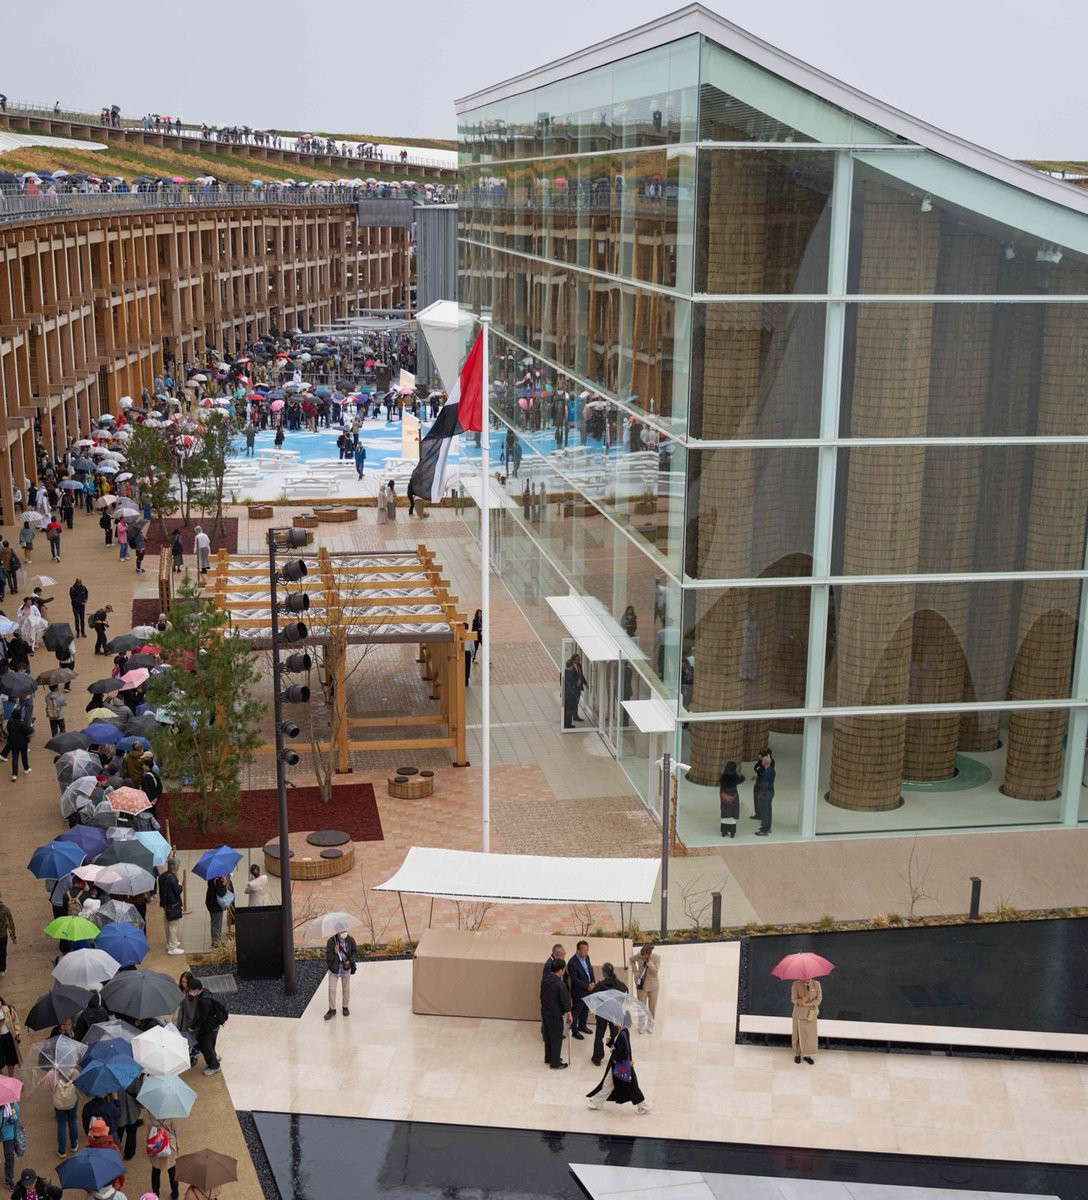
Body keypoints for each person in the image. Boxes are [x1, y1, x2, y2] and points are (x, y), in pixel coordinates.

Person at [585, 1022, 649, 1113]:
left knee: (628, 1086)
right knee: (612, 1084)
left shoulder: (622, 1034)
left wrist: (613, 1052)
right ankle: (596, 1102)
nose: (613, 1021)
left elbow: (623, 1052)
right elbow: (619, 1047)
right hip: (621, 1065)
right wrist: (610, 1043)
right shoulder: (622, 1031)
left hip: (619, 1065)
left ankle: (643, 1106)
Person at [187, 977, 226, 1075]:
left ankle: (214, 1066)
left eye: (192, 990)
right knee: (211, 1044)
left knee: (205, 1046)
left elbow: (202, 1018)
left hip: (208, 1027)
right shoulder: (206, 992)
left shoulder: (204, 1002)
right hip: (214, 1025)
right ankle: (214, 1057)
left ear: (198, 989)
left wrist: (192, 1027)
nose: (190, 992)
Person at [590, 962, 626, 1066]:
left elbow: (593, 996)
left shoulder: (600, 985)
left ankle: (597, 1058)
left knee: (599, 1035)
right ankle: (616, 1055)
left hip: (602, 1013)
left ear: (604, 973)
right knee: (614, 1035)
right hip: (614, 1013)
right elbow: (625, 992)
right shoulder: (620, 984)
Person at [539, 957, 571, 1069]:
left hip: (545, 1012)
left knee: (548, 1036)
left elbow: (541, 996)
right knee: (556, 1038)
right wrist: (569, 1013)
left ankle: (549, 1058)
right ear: (560, 970)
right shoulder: (560, 984)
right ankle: (555, 1063)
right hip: (555, 1014)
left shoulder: (545, 980)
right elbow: (565, 1001)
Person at [323, 929, 357, 1019]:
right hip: (334, 969)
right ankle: (332, 1009)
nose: (344, 933)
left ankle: (345, 1007)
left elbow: (354, 952)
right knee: (332, 989)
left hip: (346, 968)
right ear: (337, 932)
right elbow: (328, 957)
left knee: (346, 989)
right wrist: (335, 952)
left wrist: (350, 960)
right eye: (341, 931)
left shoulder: (350, 939)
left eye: (345, 930)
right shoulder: (331, 941)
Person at [47, 1064, 79, 1155]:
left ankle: (62, 1150)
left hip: (59, 1103)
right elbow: (78, 1086)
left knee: (61, 1124)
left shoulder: (53, 1073)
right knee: (72, 1121)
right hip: (72, 1101)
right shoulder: (75, 1072)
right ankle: (74, 1145)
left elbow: (52, 1088)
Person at [145, 1116, 179, 1200]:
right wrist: (178, 1147)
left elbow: (148, 1132)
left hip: (155, 1146)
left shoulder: (147, 1116)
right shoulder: (171, 1116)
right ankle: (175, 1194)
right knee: (172, 1171)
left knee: (155, 1172)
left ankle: (155, 1195)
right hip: (169, 1146)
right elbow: (174, 1131)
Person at [628, 944, 660, 1030]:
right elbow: (631, 960)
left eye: (645, 955)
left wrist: (649, 963)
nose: (644, 956)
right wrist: (635, 971)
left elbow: (655, 971)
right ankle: (641, 1025)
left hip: (653, 985)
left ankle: (650, 1024)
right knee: (641, 1006)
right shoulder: (639, 955)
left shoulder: (657, 957)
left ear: (649, 954)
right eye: (643, 955)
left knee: (652, 1006)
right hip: (641, 985)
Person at [567, 940, 595, 1039]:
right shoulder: (572, 963)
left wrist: (593, 982)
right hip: (579, 992)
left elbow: (590, 970)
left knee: (585, 1010)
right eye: (585, 950)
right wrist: (587, 986)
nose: (587, 952)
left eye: (587, 950)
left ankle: (582, 1026)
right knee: (576, 1011)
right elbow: (575, 980)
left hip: (588, 990)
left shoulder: (587, 958)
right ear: (578, 950)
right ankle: (574, 1030)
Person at [791, 975, 821, 1065]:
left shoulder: (817, 984)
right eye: (804, 976)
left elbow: (819, 998)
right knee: (797, 1034)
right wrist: (801, 1001)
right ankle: (797, 1054)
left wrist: (810, 1004)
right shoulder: (795, 984)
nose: (806, 978)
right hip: (799, 1014)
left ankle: (807, 1055)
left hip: (811, 1014)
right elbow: (793, 999)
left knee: (809, 1035)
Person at [158, 860, 185, 956]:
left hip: (165, 904)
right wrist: (180, 885)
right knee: (173, 925)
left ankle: (169, 942)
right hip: (173, 904)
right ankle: (173, 947)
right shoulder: (173, 878)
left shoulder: (162, 876)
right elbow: (177, 891)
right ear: (176, 868)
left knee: (167, 923)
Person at [4, 706, 33, 782]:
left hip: (13, 742)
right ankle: (26, 768)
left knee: (15, 758)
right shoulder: (22, 723)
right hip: (23, 743)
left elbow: (7, 730)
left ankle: (14, 774)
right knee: (24, 756)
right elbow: (29, 731)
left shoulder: (10, 722)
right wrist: (31, 727)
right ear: (20, 715)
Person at [753, 749, 776, 837]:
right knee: (768, 810)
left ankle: (764, 829)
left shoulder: (766, 773)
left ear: (764, 763)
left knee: (764, 811)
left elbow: (764, 784)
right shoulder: (772, 770)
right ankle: (768, 827)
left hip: (765, 793)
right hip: (771, 792)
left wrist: (759, 785)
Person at [0, 1096, 21, 1188]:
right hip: (7, 1132)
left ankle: (9, 1179)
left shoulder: (11, 1103)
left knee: (9, 1155)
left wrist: (13, 1116)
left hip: (8, 1133)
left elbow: (17, 1110)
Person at [204, 875, 231, 944]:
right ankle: (216, 942)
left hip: (210, 903)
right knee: (217, 924)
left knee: (214, 923)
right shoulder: (218, 880)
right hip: (216, 905)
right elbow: (221, 893)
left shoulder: (211, 878)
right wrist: (224, 884)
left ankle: (215, 939)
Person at [719, 760, 741, 839]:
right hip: (733, 796)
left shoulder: (723, 776)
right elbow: (739, 781)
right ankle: (732, 832)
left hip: (724, 796)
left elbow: (721, 785)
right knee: (732, 813)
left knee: (725, 813)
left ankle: (724, 831)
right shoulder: (735, 776)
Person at [0, 995, 21, 1075]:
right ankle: (2, 1078)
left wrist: (17, 1033)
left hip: (9, 1037)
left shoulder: (8, 1009)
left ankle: (10, 1076)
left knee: (10, 1059)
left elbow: (16, 1022)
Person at [0, 895, 15, 975]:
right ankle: (2, 969)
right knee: (2, 951)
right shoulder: (5, 909)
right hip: (3, 936)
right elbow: (10, 923)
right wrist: (13, 936)